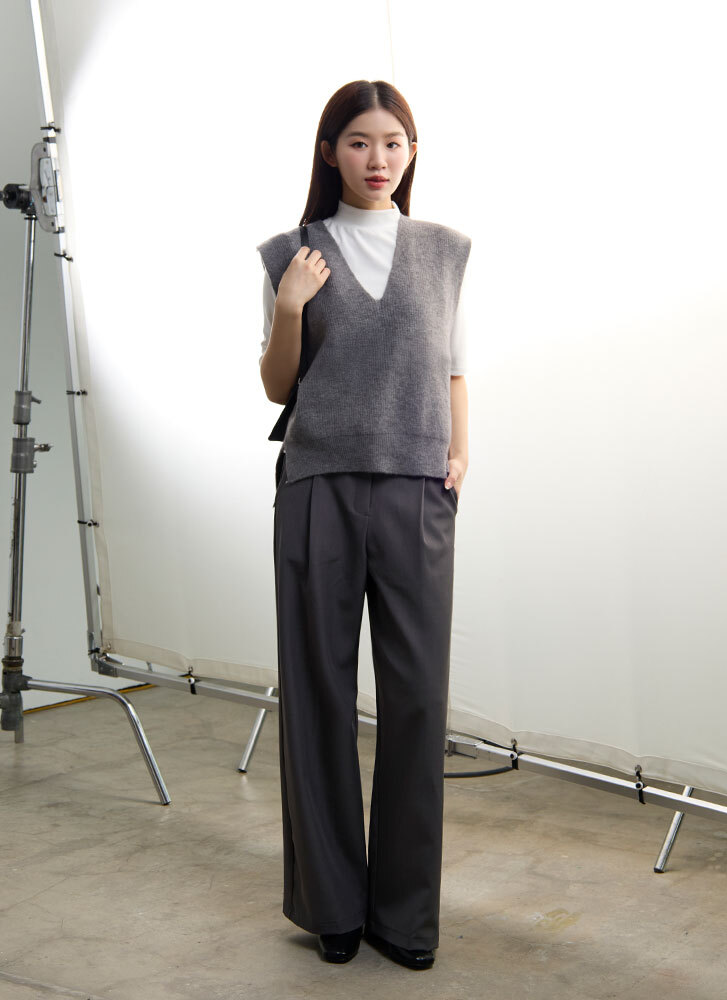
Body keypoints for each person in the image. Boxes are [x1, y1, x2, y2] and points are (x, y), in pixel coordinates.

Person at [256, 79, 471, 971]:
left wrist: (460, 452)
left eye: (392, 143)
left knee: (417, 702)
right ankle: (332, 906)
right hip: (319, 485)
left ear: (411, 152)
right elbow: (277, 385)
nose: (377, 159)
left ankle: (406, 917)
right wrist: (290, 305)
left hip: (418, 489)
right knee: (318, 694)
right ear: (328, 151)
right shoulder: (293, 252)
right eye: (358, 142)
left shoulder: (443, 251)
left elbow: (453, 364)